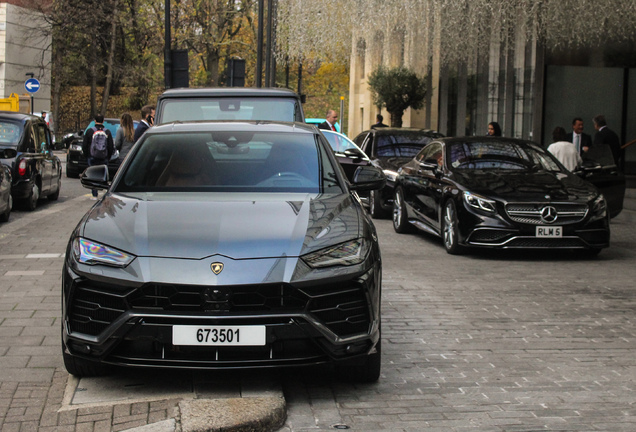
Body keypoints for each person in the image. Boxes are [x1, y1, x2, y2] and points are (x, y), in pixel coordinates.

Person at [82, 114, 115, 199]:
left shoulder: (90, 131)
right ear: (103, 121)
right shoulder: (107, 131)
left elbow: (84, 145)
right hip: (104, 157)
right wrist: (108, 156)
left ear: (95, 121)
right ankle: (104, 192)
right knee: (103, 174)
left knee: (93, 175)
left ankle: (94, 194)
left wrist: (87, 156)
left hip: (92, 156)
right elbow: (111, 146)